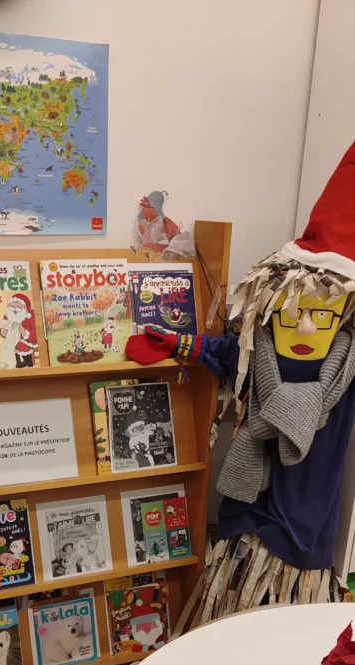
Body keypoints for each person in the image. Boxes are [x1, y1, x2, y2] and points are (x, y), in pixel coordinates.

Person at [126, 139, 355, 618]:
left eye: (322, 315)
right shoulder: (255, 348)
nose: (305, 328)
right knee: (229, 606)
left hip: (306, 525)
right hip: (247, 514)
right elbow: (222, 352)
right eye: (293, 313)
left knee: (289, 622)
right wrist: (175, 343)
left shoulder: (347, 370)